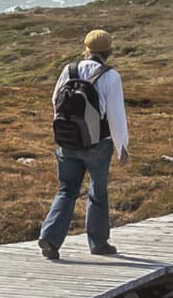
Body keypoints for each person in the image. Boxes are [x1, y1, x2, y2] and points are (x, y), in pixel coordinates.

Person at [37, 29, 127, 259]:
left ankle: (50, 238)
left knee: (67, 190)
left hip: (67, 142)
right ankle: (98, 243)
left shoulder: (69, 70)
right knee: (98, 192)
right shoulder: (111, 76)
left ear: (86, 49)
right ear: (109, 51)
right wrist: (122, 147)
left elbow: (55, 100)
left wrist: (67, 130)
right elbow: (116, 114)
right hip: (98, 144)